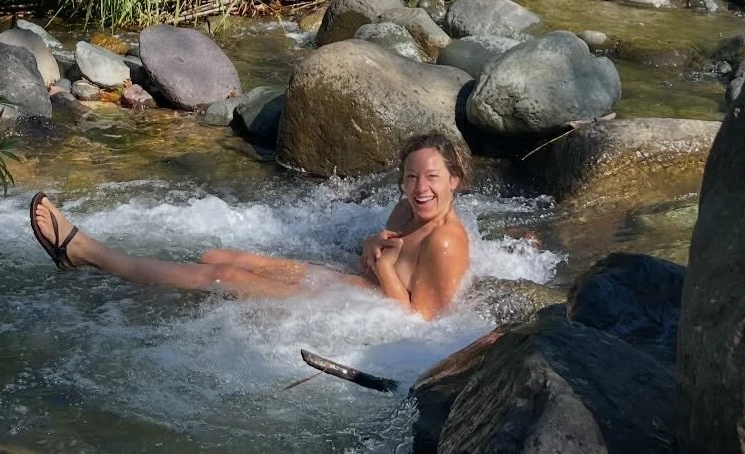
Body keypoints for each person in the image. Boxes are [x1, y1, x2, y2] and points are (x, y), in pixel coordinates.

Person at [28, 132, 471, 321]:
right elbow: (369, 267)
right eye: (411, 176)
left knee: (222, 276)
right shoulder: (406, 210)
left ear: (454, 180)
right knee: (220, 257)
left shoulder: (445, 241)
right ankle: (152, 285)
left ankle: (87, 253)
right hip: (352, 289)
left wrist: (384, 266)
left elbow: (418, 321)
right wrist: (371, 247)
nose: (420, 188)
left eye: (432, 177)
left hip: (361, 313)